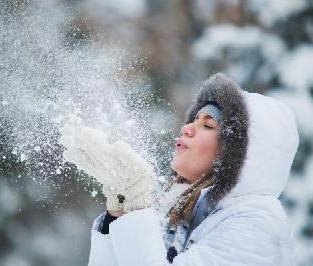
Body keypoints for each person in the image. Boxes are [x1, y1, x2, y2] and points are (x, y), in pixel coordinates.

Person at [59, 73, 299, 265]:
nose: (187, 128)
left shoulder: (255, 227)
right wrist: (118, 214)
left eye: (208, 125)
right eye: (194, 119)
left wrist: (137, 206)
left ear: (237, 153)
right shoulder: (185, 213)